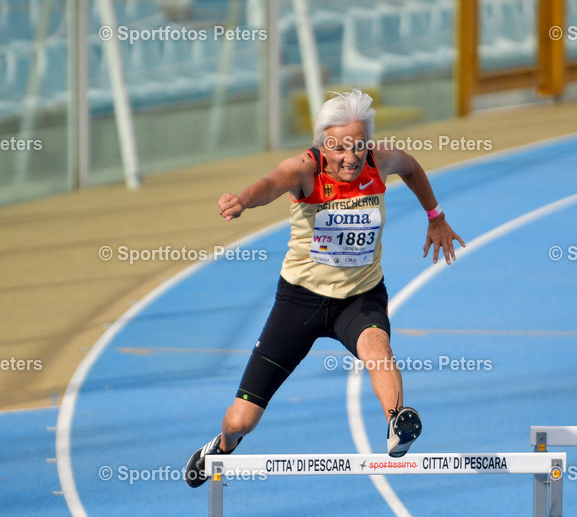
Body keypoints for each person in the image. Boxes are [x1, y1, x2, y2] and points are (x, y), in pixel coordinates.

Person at [186, 89, 465, 487]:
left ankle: (396, 424)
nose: (350, 157)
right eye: (339, 148)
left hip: (360, 295)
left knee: (378, 349)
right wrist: (243, 200)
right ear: (322, 145)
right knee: (241, 419)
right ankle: (223, 446)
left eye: (358, 146)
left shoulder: (380, 159)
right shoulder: (304, 169)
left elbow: (413, 167)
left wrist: (435, 216)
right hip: (300, 302)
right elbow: (270, 183)